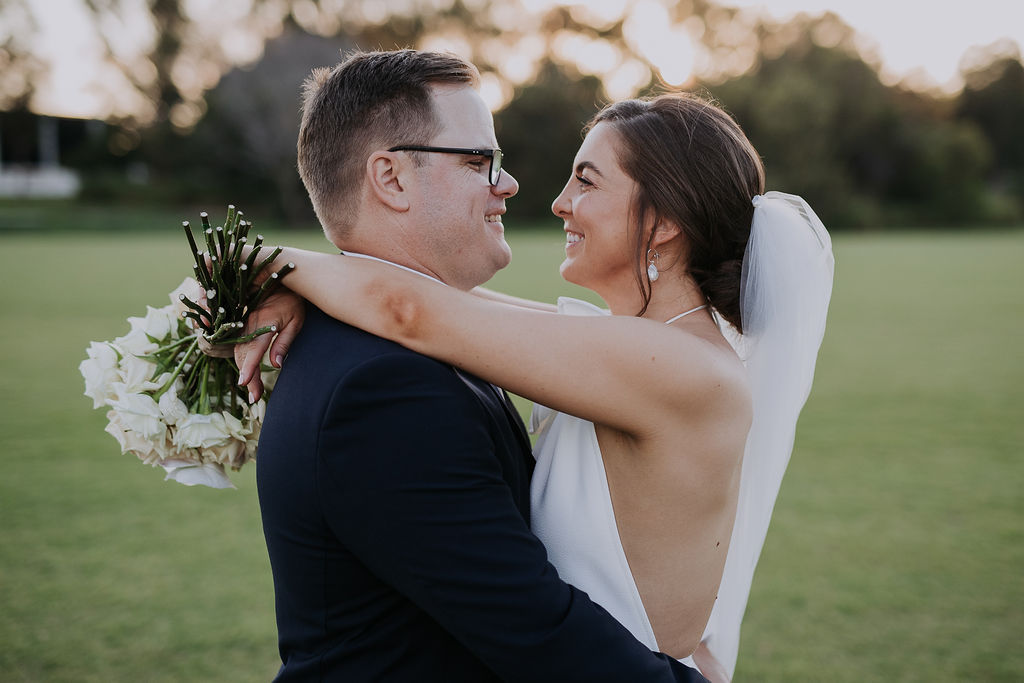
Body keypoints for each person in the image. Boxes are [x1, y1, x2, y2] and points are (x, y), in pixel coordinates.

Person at [248, 49, 710, 682]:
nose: (510, 184)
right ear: (391, 178)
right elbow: (535, 631)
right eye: (477, 160)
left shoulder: (424, 337)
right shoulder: (385, 388)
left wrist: (275, 269)